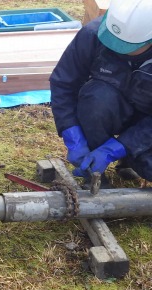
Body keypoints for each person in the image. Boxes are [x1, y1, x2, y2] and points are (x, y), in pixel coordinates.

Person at [50, 0, 152, 187]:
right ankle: (95, 173)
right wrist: (71, 132)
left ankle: (132, 159)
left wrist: (120, 147)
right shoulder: (93, 34)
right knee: (97, 98)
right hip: (111, 107)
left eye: (126, 46)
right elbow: (63, 83)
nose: (115, 48)